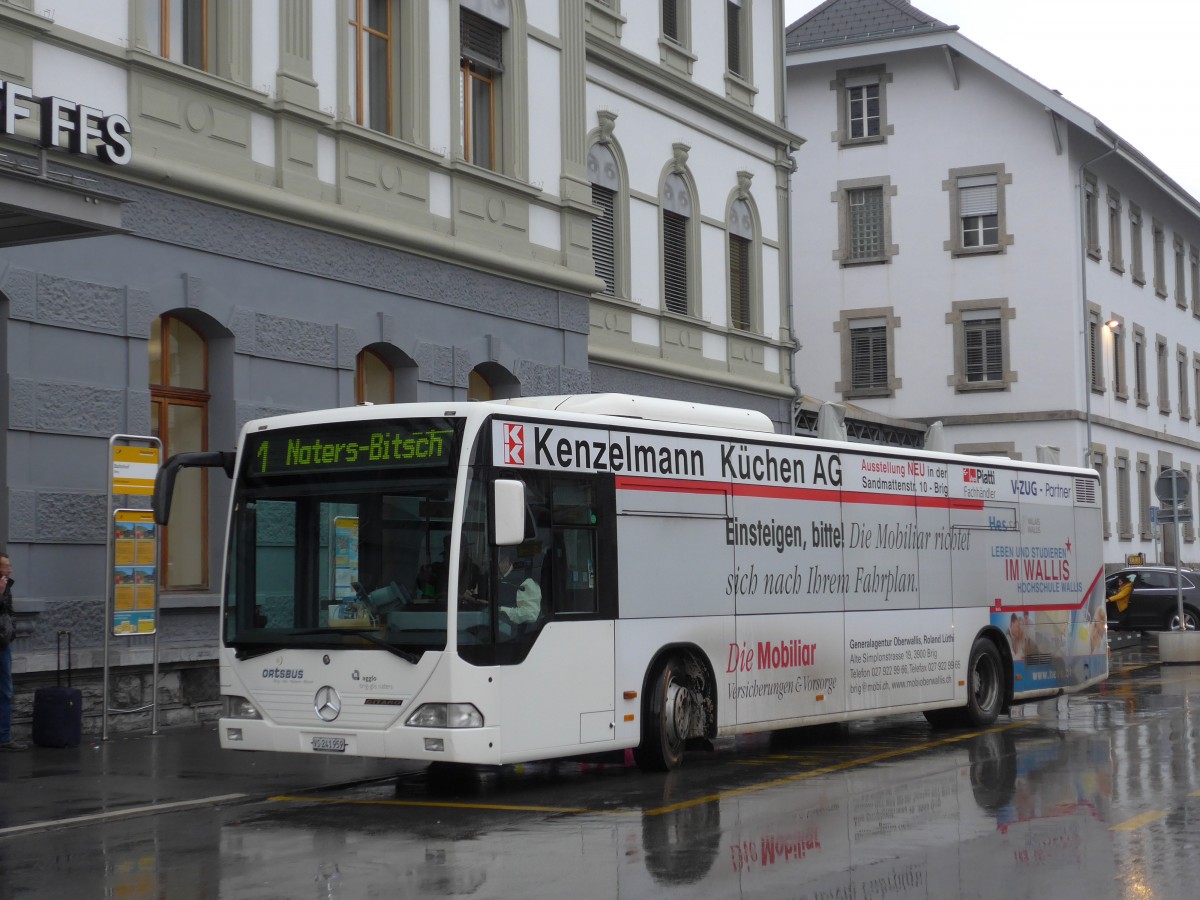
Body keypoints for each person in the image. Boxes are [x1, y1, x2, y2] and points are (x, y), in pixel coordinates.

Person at [0, 552, 28, 751]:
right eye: (6, 566)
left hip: (2, 644)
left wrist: (12, 631)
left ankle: (4, 737)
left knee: (5, 691)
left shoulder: (7, 586)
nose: (10, 569)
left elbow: (9, 612)